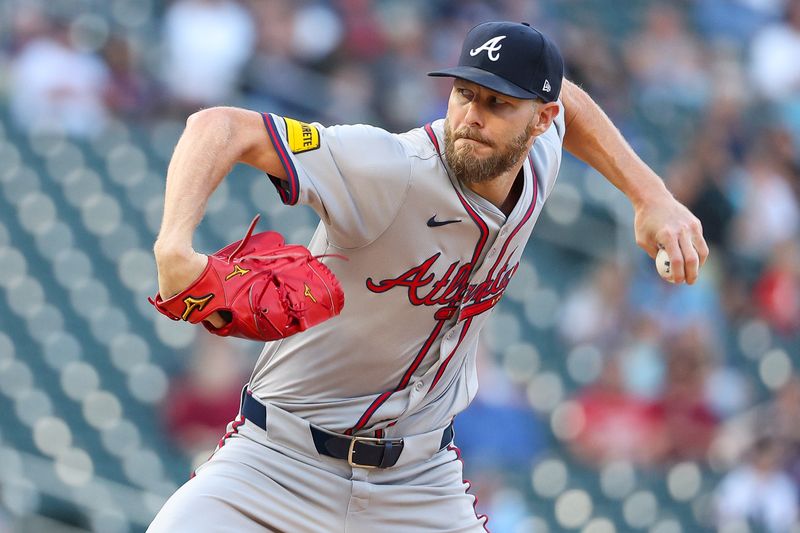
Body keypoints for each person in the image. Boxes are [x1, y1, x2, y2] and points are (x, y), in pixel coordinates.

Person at [149, 21, 708, 532]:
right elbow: (220, 126)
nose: (473, 116)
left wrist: (650, 196)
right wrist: (174, 243)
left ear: (541, 120)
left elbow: (572, 102)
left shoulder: (538, 160)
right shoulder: (390, 168)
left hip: (417, 485)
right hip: (276, 465)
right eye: (466, 93)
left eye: (498, 102)